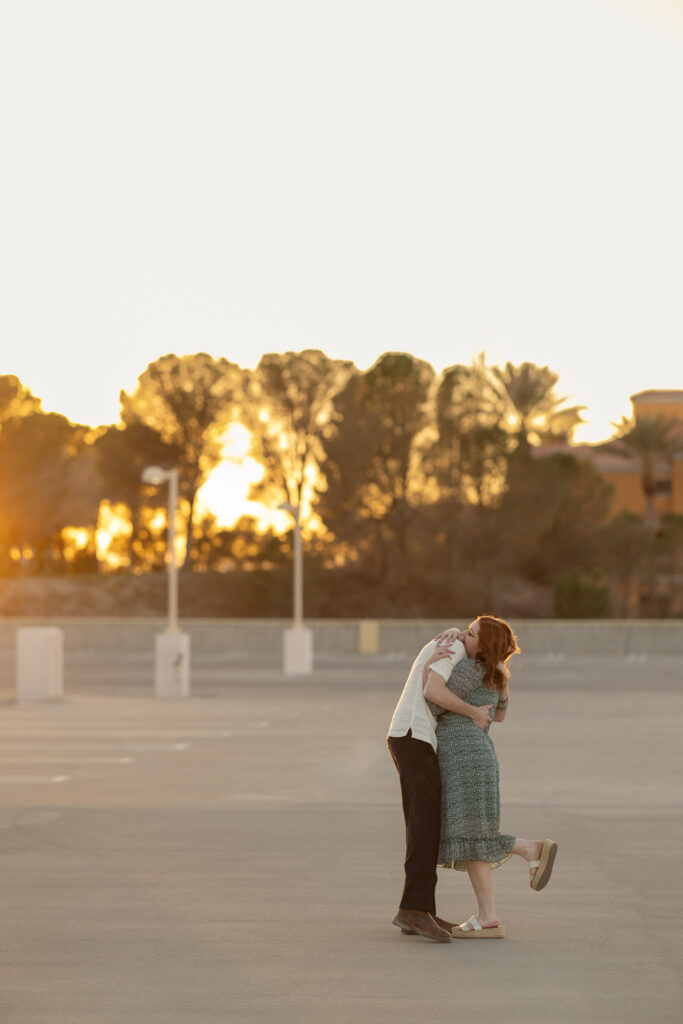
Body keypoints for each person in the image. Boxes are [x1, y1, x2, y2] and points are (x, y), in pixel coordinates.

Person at [425, 615, 558, 939]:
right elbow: (499, 714)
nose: (462, 637)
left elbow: (433, 697)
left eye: (470, 634)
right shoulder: (495, 674)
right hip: (480, 755)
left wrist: (431, 664)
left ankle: (530, 849)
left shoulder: (470, 670)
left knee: (473, 834)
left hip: (463, 757)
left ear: (483, 647)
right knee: (473, 835)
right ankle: (488, 915)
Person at [386, 629, 494, 942]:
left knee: (426, 826)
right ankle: (414, 912)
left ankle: (420, 910)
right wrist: (474, 712)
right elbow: (433, 691)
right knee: (423, 827)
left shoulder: (452, 641)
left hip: (413, 737)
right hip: (412, 736)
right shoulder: (456, 648)